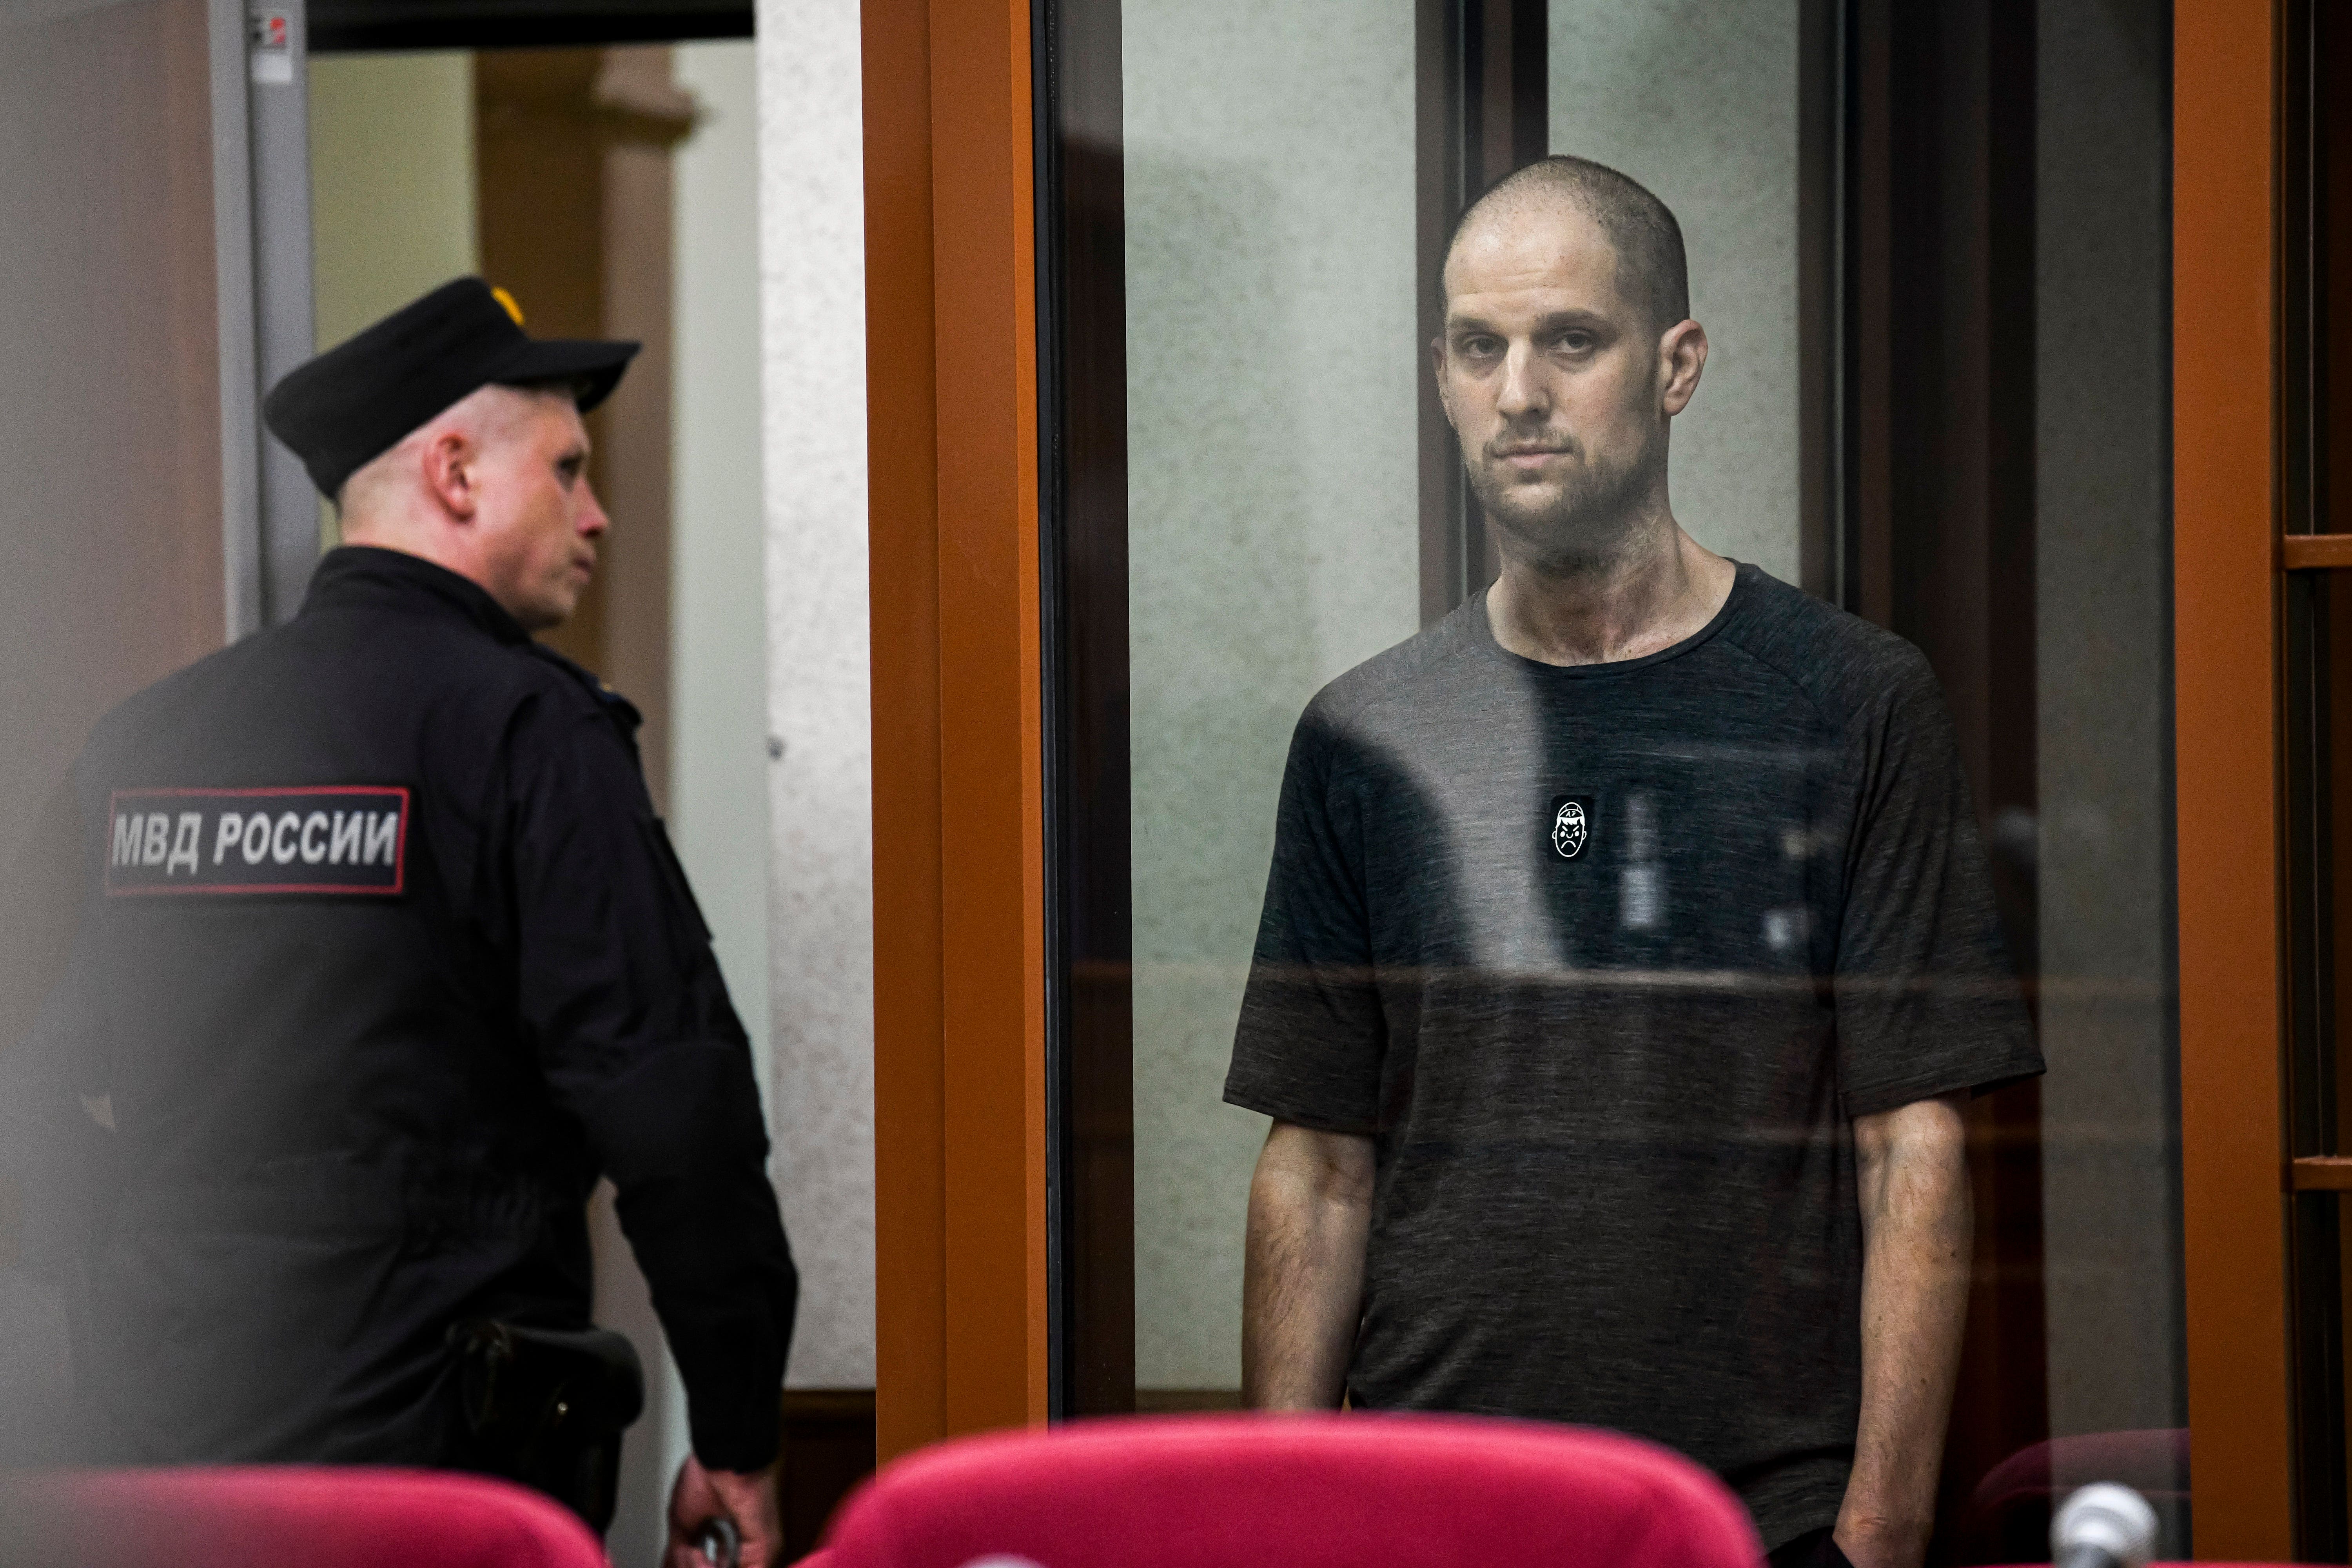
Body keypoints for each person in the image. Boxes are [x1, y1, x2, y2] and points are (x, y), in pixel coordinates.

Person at [1226, 156, 2042, 1568]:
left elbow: (1911, 1143)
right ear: (1440, 376)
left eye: (1571, 341)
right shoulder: (1367, 735)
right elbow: (1318, 1163)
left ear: (1677, 366)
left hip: (1759, 1520)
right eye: (1480, 348)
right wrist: (1282, 1525)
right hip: (1433, 1512)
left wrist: (1881, 1535)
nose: (1519, 392)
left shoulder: (1849, 700)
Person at [9, 279, 795, 1568]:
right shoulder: (529, 735)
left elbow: (21, 1055)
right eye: (567, 468)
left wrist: (137, 1275)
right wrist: (739, 1423)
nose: (594, 514)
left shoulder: (143, 743)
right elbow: (674, 1112)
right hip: (445, 1476)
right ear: (454, 471)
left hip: (162, 1455)